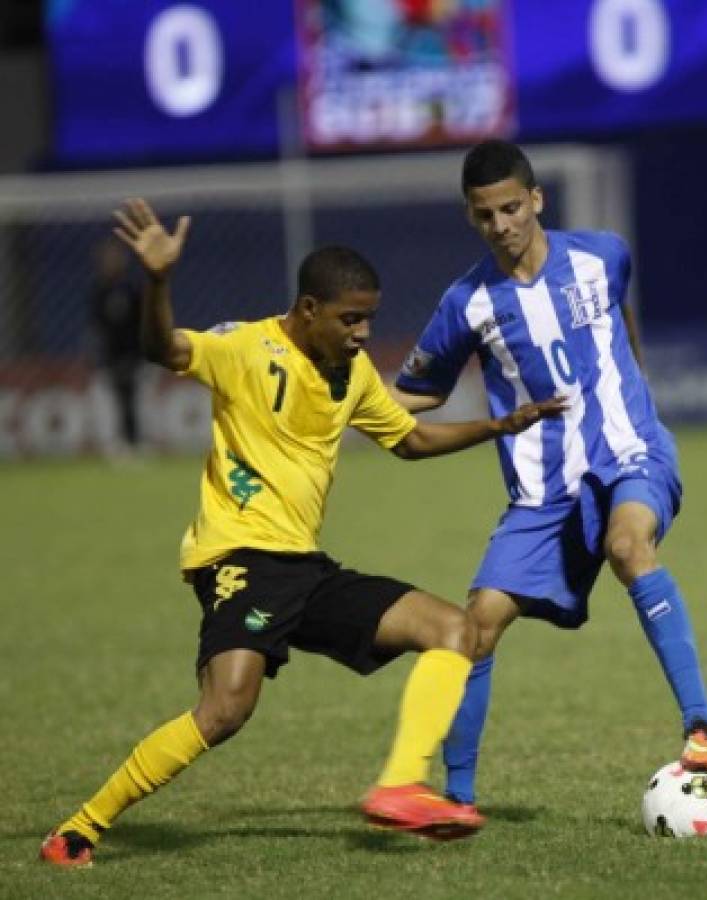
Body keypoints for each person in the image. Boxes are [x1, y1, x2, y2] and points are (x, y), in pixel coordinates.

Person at [40, 198, 559, 867]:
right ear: (307, 309)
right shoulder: (245, 348)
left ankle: (400, 786)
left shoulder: (352, 377)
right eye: (350, 318)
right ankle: (79, 829)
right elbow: (161, 348)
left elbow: (410, 440)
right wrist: (159, 281)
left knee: (455, 631)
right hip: (238, 557)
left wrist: (498, 425)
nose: (363, 331)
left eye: (369, 317)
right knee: (225, 711)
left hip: (306, 569)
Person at [392, 140, 707, 814]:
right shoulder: (466, 304)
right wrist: (341, 402)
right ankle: (457, 802)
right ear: (471, 217)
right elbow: (417, 391)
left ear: (536, 199)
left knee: (628, 546)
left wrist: (633, 400)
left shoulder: (600, 254)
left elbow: (619, 316)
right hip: (541, 495)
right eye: (485, 215)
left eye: (512, 208)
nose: (502, 225)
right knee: (475, 626)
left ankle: (701, 726)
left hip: (628, 453)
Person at [88, 236, 144, 456]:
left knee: (135, 397)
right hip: (110, 355)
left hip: (134, 353)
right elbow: (96, 325)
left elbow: (143, 321)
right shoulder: (98, 291)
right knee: (108, 399)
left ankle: (137, 441)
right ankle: (113, 442)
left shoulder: (132, 288)